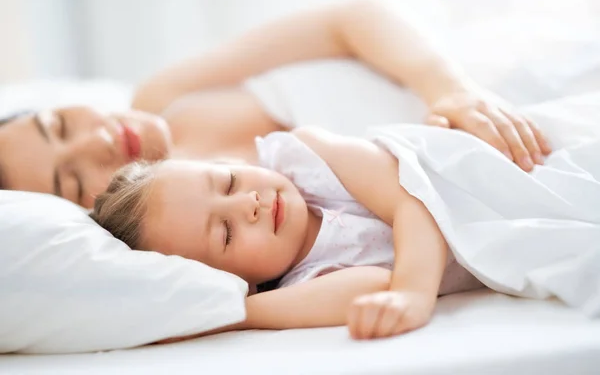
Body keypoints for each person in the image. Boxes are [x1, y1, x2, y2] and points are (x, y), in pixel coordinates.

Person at [0, 0, 551, 208]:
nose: (97, 139)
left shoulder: (164, 97)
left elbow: (350, 20)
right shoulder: (207, 223)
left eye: (60, 123)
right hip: (499, 158)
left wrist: (448, 89)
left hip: (468, 78)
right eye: (72, 180)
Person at [90, 125, 488, 341]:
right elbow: (375, 285)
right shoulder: (303, 283)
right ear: (238, 281)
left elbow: (412, 199)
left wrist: (413, 294)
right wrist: (225, 315)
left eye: (228, 181)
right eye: (226, 234)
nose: (248, 204)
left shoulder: (308, 158)